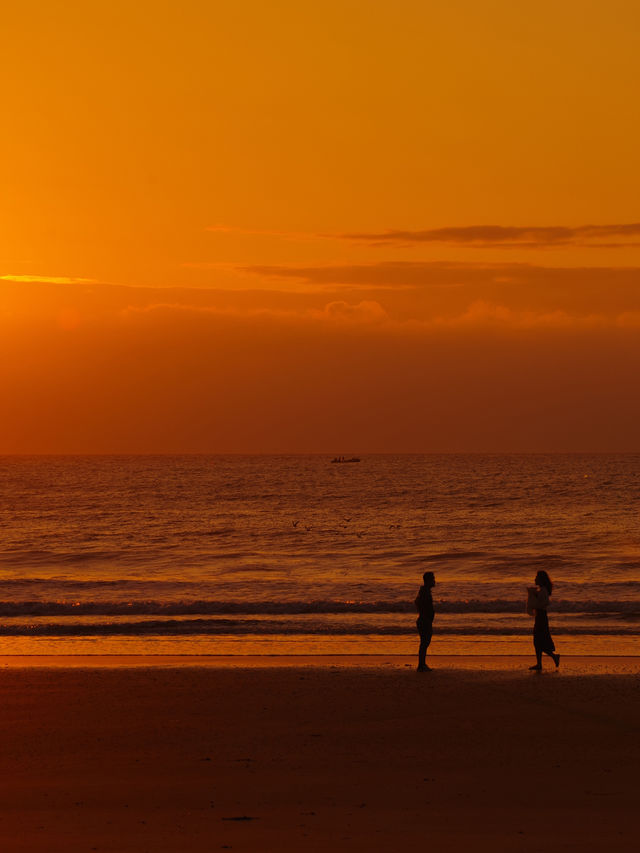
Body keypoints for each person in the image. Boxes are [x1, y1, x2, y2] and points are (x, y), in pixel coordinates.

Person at [527, 570, 560, 671]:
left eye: (536, 577)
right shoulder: (542, 590)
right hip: (540, 616)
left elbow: (541, 604)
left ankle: (551, 658)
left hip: (541, 616)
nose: (535, 579)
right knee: (539, 640)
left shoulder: (543, 591)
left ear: (541, 579)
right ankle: (541, 663)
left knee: (538, 640)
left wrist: (533, 596)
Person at [415, 571, 435, 672]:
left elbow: (417, 602)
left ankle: (422, 664)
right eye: (433, 579)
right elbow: (420, 604)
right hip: (424, 620)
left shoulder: (424, 591)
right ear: (428, 581)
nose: (435, 581)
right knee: (424, 643)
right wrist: (425, 616)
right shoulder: (425, 592)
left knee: (425, 643)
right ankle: (421, 665)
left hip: (424, 620)